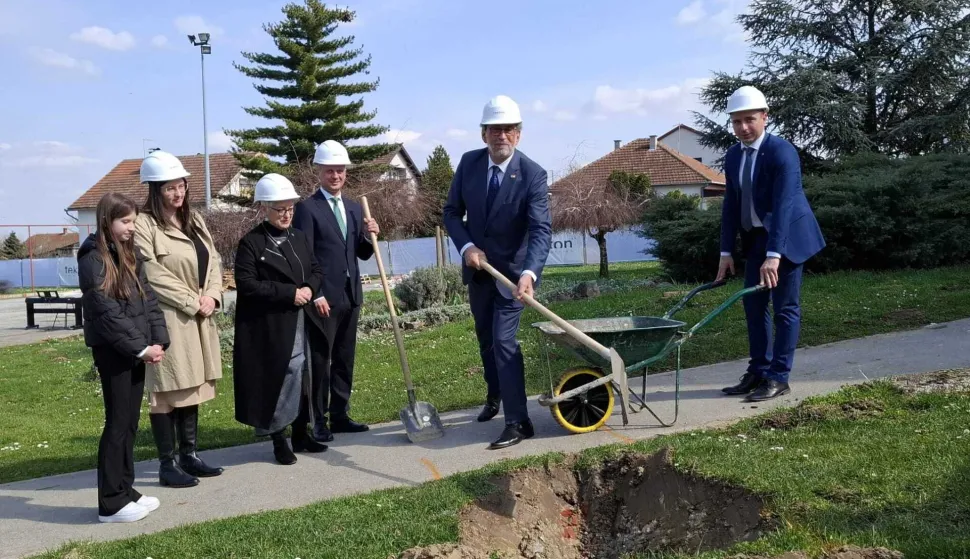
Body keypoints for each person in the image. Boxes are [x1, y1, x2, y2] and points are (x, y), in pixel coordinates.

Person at [443, 95, 552, 450]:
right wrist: (466, 247)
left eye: (508, 129)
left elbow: (540, 230)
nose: (501, 135)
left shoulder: (532, 175)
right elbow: (450, 213)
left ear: (518, 135)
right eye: (494, 129)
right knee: (485, 340)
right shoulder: (469, 164)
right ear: (483, 134)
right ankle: (495, 394)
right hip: (478, 272)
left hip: (512, 277)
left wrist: (530, 274)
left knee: (504, 342)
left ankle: (519, 422)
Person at [716, 85, 826, 402]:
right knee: (753, 305)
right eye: (736, 122)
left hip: (788, 239)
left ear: (765, 117)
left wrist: (774, 255)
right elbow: (731, 204)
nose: (743, 128)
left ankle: (779, 377)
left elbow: (784, 206)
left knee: (784, 309)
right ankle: (759, 371)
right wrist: (726, 251)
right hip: (757, 239)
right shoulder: (734, 155)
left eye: (749, 120)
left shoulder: (782, 152)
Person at [133, 149, 225, 487]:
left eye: (182, 186)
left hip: (200, 315)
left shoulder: (194, 219)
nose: (178, 193)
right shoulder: (144, 225)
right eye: (171, 188)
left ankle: (189, 455)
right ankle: (167, 463)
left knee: (192, 386)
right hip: (170, 318)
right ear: (155, 190)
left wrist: (213, 296)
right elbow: (151, 272)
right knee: (167, 390)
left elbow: (213, 259)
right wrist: (192, 300)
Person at [78, 192, 169, 523]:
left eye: (134, 220)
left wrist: (158, 339)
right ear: (107, 221)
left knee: (129, 423)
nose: (132, 227)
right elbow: (105, 312)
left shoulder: (130, 254)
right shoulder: (93, 259)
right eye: (125, 221)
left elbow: (149, 301)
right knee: (117, 423)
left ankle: (125, 489)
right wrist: (139, 347)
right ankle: (110, 503)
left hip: (135, 350)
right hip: (115, 352)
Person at [232, 173, 330, 464]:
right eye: (280, 209)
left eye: (290, 208)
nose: (287, 214)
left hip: (305, 320)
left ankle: (301, 433)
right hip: (274, 326)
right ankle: (279, 438)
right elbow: (247, 284)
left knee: (305, 376)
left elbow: (315, 269)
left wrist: (310, 288)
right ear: (264, 208)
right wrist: (289, 293)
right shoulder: (251, 243)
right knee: (284, 376)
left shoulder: (298, 238)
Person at [292, 140, 380, 443]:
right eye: (330, 171)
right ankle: (319, 420)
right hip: (323, 298)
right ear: (319, 171)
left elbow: (361, 253)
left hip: (350, 294)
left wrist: (371, 237)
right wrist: (313, 292)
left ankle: (341, 414)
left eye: (340, 170)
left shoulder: (354, 208)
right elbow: (303, 254)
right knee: (320, 361)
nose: (336, 176)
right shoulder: (307, 209)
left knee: (345, 358)